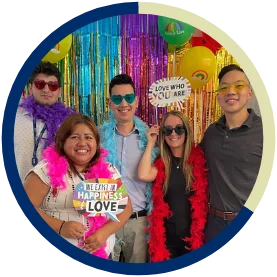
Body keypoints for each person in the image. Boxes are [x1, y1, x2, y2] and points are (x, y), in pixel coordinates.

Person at [23, 114, 133, 259]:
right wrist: (60, 226)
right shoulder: (46, 171)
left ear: (96, 143)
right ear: (63, 141)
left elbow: (126, 208)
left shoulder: (109, 171)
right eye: (74, 137)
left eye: (88, 137)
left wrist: (104, 233)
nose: (82, 143)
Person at [98, 74, 159, 263]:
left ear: (136, 101)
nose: (124, 103)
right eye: (117, 98)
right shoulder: (96, 137)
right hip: (106, 220)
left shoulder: (150, 137)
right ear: (109, 103)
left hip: (138, 222)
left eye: (129, 97)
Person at [200, 64, 263, 242]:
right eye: (224, 87)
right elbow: (192, 161)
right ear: (219, 96)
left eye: (239, 85)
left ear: (249, 92)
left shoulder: (266, 132)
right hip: (215, 225)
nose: (231, 91)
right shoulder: (212, 132)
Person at [138, 110, 208, 262]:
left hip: (194, 240)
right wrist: (150, 142)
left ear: (186, 131)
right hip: (166, 243)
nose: (173, 133)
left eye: (179, 128)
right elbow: (143, 175)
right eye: (168, 130)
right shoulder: (162, 163)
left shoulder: (198, 161)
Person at [14, 61, 75, 183]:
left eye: (52, 85)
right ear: (31, 87)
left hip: (55, 195)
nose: (46, 89)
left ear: (59, 91)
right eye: (40, 84)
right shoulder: (15, 117)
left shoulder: (71, 123)